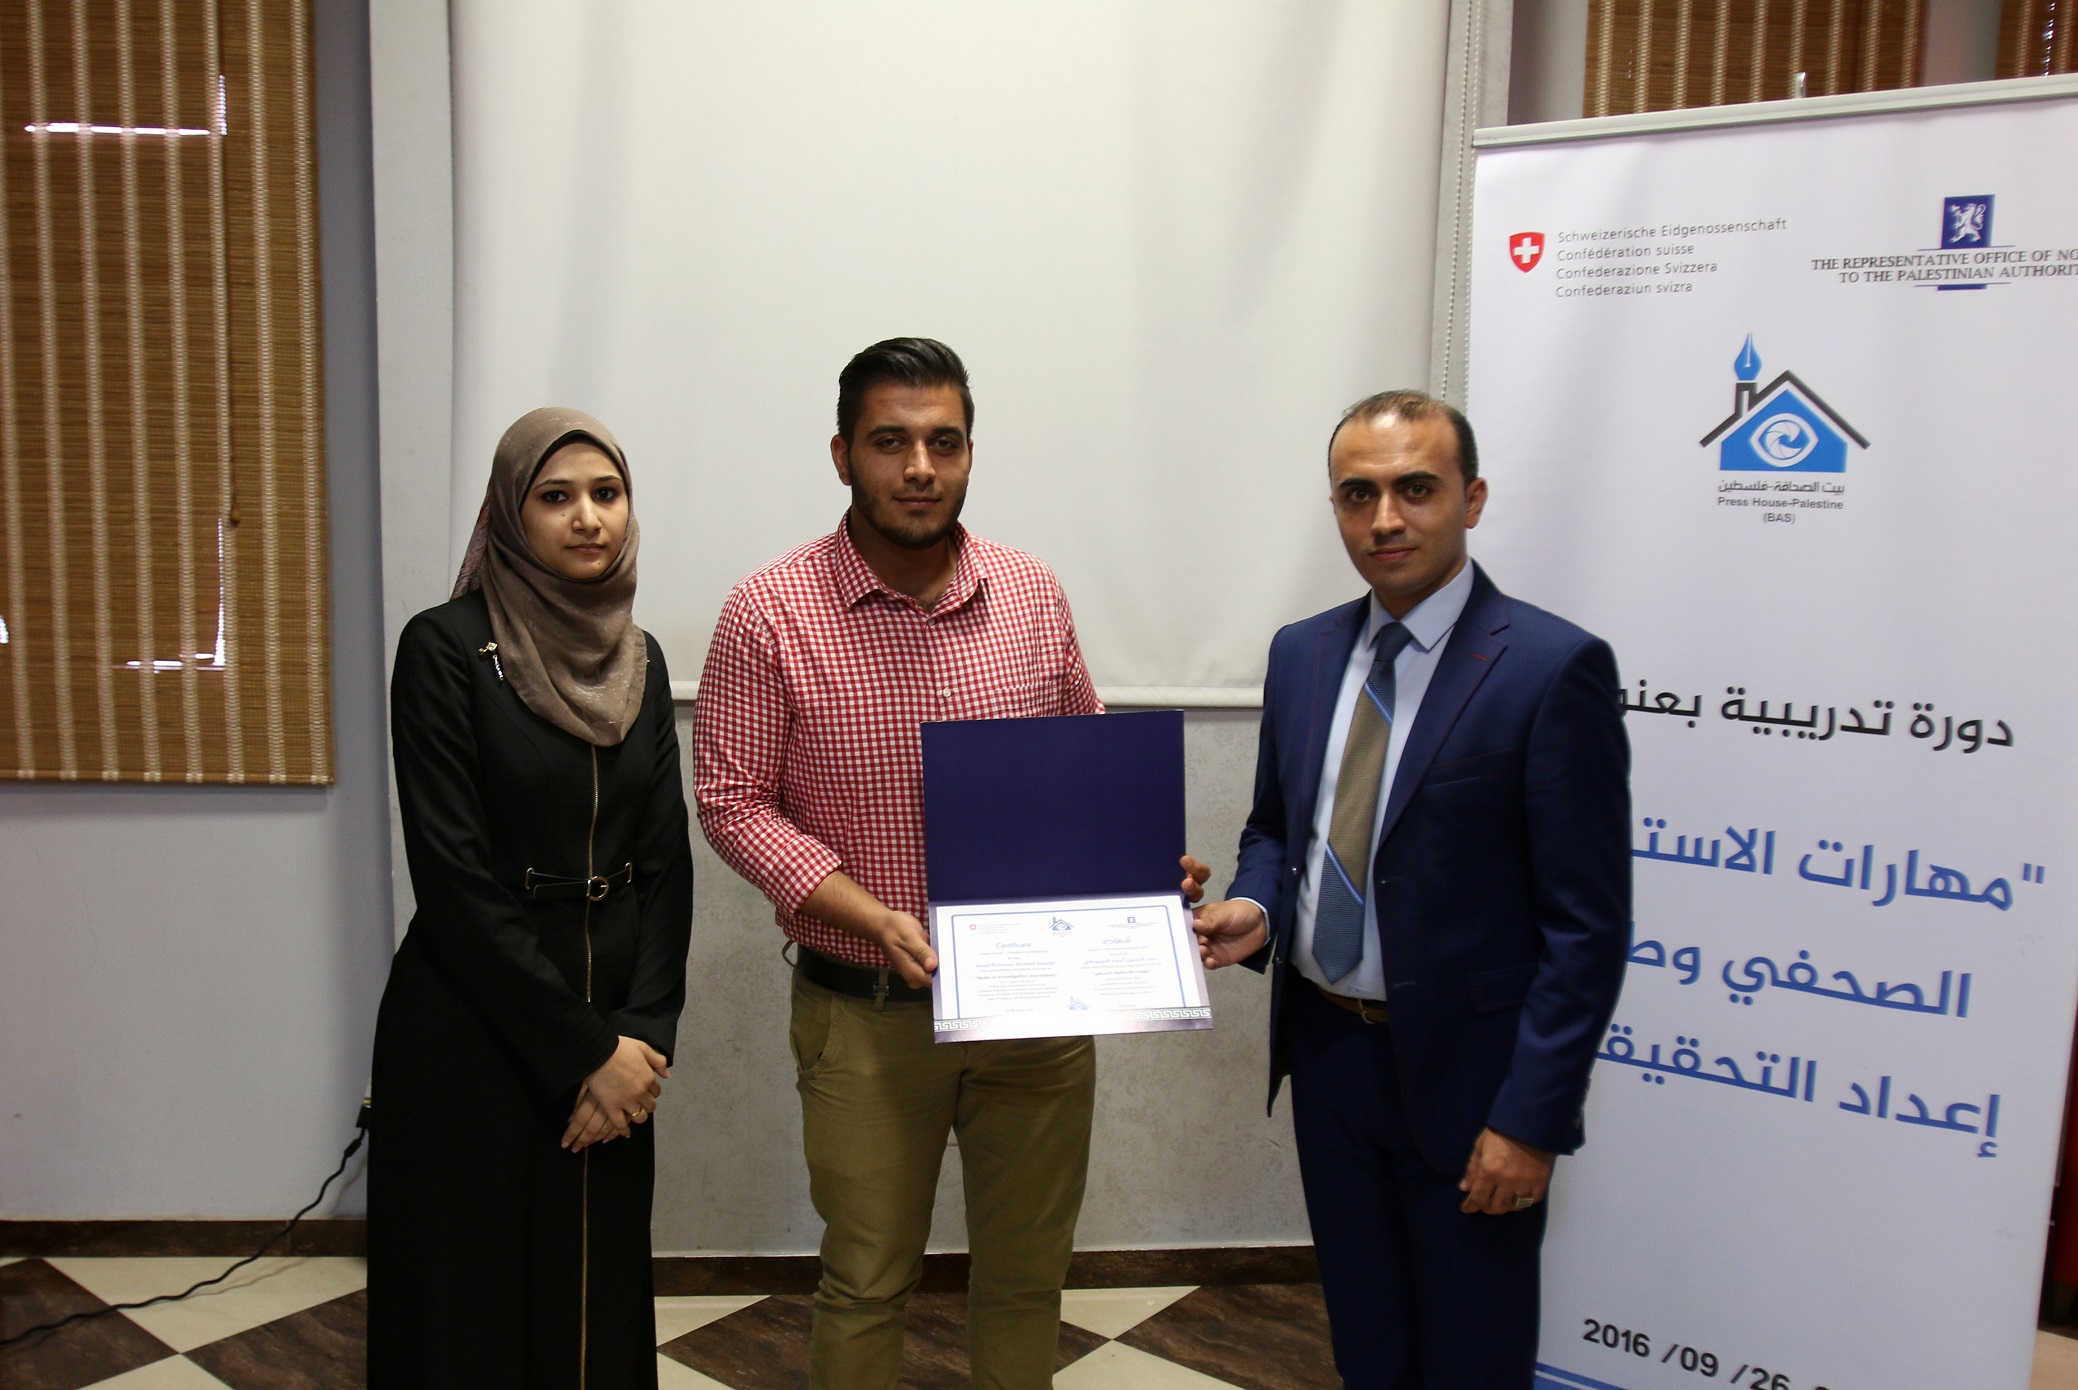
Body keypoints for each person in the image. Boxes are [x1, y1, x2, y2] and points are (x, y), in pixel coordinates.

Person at [693, 338, 1205, 1390]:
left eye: (944, 442)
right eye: (890, 442)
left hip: (1036, 1011)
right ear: (842, 454)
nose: (919, 467)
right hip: (867, 1012)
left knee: (1026, 1281)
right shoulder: (768, 610)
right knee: (865, 1280)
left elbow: (1082, 761)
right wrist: (867, 913)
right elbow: (731, 800)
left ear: (970, 452)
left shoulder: (1030, 593)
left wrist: (1144, 871)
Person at [1192, 391, 1630, 1389]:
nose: (1384, 518)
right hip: (1328, 1057)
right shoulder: (1301, 653)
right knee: (1369, 1339)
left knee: (1471, 1354)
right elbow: (1277, 828)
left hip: (1472, 1082)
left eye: (1414, 489)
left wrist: (1529, 1121)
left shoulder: (1551, 668)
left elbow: (1586, 928)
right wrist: (1254, 907)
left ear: (1471, 499)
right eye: (1358, 494)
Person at [368, 407, 695, 1389]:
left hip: (615, 1034)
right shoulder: (443, 648)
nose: (588, 517)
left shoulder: (639, 658)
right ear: (511, 513)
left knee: (592, 1295)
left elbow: (665, 862)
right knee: (471, 1299)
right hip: (475, 1025)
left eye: (606, 493)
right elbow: (453, 878)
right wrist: (584, 1051)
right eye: (555, 496)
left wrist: (643, 1040)